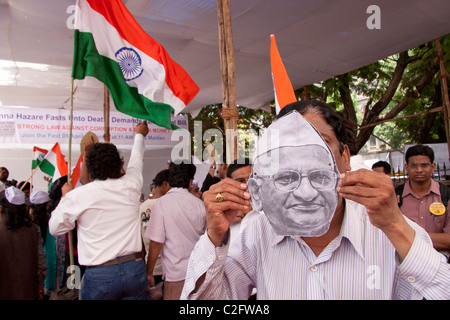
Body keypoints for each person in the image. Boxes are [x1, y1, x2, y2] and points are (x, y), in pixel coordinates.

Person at [181, 99, 450, 300]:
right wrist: (215, 239)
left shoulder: (389, 231)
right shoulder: (255, 231)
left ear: (345, 157)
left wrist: (396, 227)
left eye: (319, 144)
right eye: (289, 150)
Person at [49, 121, 150, 300]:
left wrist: (65, 197)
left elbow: (55, 228)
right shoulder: (132, 184)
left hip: (101, 274)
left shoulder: (78, 196)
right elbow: (137, 159)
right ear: (118, 164)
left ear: (90, 168)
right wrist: (139, 134)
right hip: (134, 268)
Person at [144, 160, 207, 300]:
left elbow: (156, 242)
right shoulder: (200, 205)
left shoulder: (162, 203)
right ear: (190, 182)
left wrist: (149, 272)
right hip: (200, 273)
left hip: (175, 276)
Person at [395, 144, 450, 259]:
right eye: (414, 165)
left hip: (440, 264)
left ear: (433, 167)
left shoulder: (446, 196)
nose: (419, 170)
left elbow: (448, 240)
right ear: (406, 167)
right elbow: (389, 237)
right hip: (404, 264)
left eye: (424, 165)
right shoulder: (395, 197)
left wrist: (408, 238)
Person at [0, 187, 47, 300]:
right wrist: (40, 288)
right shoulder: (34, 229)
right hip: (28, 292)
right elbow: (41, 265)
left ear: (1, 208)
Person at [140, 169, 170, 284]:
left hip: (151, 266)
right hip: (169, 267)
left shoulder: (142, 207)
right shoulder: (168, 204)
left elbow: (140, 243)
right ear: (165, 184)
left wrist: (147, 269)